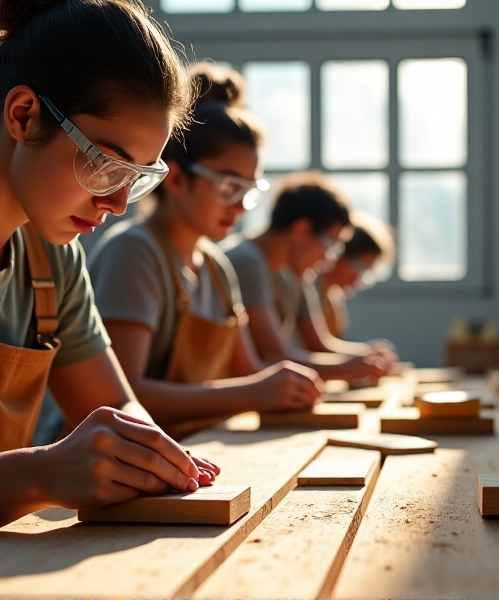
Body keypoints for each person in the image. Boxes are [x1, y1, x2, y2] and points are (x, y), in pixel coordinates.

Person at [0, 0, 218, 566]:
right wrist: (42, 473)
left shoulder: (51, 257)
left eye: (138, 180)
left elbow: (120, 411)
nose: (118, 204)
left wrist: (153, 458)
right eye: (108, 167)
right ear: (23, 115)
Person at [88, 64, 322, 440]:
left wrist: (284, 385)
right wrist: (256, 393)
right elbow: (121, 398)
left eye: (250, 190)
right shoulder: (134, 253)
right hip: (108, 466)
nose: (241, 206)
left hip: (187, 449)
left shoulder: (216, 266)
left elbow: (249, 374)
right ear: (177, 178)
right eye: (230, 187)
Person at [224, 172, 395, 382]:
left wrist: (364, 359)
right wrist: (350, 366)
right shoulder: (247, 262)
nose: (329, 260)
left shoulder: (294, 271)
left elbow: (319, 344)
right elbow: (275, 355)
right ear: (302, 231)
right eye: (330, 247)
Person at [296, 211, 397, 357]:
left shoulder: (332, 301)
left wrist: (367, 355)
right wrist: (364, 355)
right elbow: (317, 346)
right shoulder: (307, 283)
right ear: (338, 253)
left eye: (366, 274)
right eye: (359, 267)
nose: (358, 279)